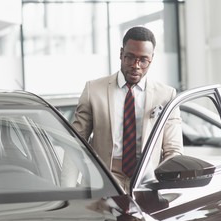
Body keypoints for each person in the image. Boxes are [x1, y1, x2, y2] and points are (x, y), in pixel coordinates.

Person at [72, 26, 183, 193]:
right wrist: (66, 191)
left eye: (143, 60)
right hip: (104, 180)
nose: (136, 66)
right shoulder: (93, 90)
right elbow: (75, 143)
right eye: (130, 57)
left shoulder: (166, 95)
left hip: (147, 183)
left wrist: (170, 189)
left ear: (151, 59)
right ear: (121, 53)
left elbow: (173, 150)